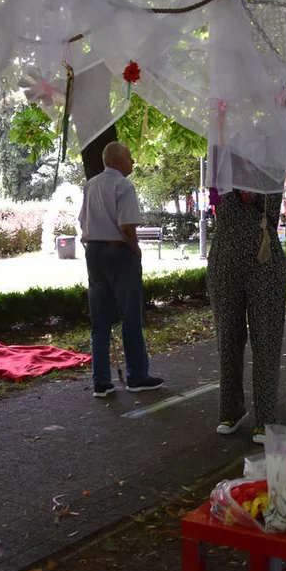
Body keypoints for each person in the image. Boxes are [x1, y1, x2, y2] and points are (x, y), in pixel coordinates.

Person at [78, 141, 165, 398]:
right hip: (119, 253)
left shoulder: (90, 184)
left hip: (93, 252)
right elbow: (127, 225)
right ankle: (136, 376)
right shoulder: (124, 185)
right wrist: (135, 249)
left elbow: (83, 221)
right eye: (129, 157)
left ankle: (101, 382)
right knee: (131, 317)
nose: (132, 162)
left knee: (100, 321)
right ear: (118, 161)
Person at [207, 185, 286, 445]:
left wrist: (252, 193)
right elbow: (218, 210)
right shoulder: (220, 163)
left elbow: (272, 211)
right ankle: (231, 410)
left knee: (266, 338)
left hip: (262, 255)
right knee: (228, 336)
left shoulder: (268, 168)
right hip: (225, 256)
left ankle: (266, 418)